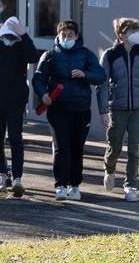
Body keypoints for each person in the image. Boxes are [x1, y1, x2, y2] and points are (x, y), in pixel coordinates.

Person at [32, 20, 105, 201]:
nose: (66, 38)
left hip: (81, 109)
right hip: (58, 110)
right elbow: (38, 78)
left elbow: (101, 75)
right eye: (63, 35)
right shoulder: (50, 55)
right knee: (61, 147)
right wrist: (43, 94)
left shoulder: (86, 55)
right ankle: (61, 186)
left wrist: (85, 75)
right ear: (58, 36)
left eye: (70, 35)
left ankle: (75, 185)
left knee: (77, 148)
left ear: (76, 36)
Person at [0, 17, 38, 197]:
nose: (9, 41)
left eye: (13, 37)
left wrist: (24, 35)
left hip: (16, 101)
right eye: (7, 36)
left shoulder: (21, 45)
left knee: (15, 137)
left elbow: (33, 57)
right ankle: (1, 172)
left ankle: (17, 176)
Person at [98, 18, 139, 202]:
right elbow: (101, 84)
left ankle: (130, 186)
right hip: (117, 108)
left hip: (138, 109)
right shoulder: (110, 55)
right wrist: (102, 110)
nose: (136, 34)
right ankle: (109, 169)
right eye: (132, 31)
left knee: (134, 148)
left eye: (136, 31)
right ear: (121, 35)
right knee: (114, 145)